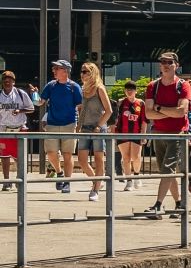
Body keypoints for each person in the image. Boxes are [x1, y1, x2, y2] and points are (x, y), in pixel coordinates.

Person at [136, 51, 191, 221]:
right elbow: (149, 114)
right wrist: (170, 112)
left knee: (167, 169)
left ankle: (158, 205)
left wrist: (159, 109)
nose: (165, 65)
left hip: (177, 134)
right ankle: (180, 204)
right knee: (166, 171)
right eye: (162, 62)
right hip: (158, 132)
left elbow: (182, 112)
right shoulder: (153, 86)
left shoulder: (183, 85)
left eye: (169, 62)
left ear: (177, 65)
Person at [41, 59, 82, 193]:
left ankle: (68, 182)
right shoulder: (51, 86)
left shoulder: (74, 87)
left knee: (67, 154)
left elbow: (80, 106)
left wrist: (79, 125)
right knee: (51, 153)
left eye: (57, 68)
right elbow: (40, 102)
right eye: (54, 69)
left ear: (65, 71)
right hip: (52, 123)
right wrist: (34, 95)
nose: (54, 71)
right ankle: (59, 173)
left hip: (70, 123)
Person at [76, 62, 112, 202]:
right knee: (82, 160)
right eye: (82, 71)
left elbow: (109, 111)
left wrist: (99, 125)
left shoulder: (99, 89)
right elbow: (82, 110)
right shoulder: (83, 89)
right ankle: (97, 182)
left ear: (93, 73)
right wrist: (79, 125)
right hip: (85, 127)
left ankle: (95, 189)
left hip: (98, 127)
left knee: (98, 159)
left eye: (86, 71)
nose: (83, 74)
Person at [0, 70, 32, 192]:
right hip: (3, 128)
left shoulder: (20, 93)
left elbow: (31, 108)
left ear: (14, 82)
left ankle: (20, 180)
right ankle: (7, 181)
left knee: (20, 156)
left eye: (10, 80)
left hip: (19, 128)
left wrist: (20, 111)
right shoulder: (0, 95)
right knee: (4, 156)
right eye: (5, 80)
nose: (7, 82)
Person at [113, 80, 147, 190]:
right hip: (122, 134)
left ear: (135, 91)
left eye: (131, 90)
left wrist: (143, 135)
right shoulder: (121, 103)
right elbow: (115, 119)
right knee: (125, 157)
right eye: (127, 90)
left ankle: (137, 176)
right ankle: (129, 181)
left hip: (136, 134)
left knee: (136, 157)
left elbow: (144, 121)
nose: (129, 92)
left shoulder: (141, 103)